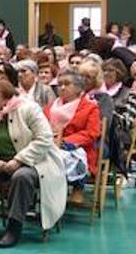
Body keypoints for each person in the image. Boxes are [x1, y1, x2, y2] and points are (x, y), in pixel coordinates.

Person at [0, 79, 65, 248]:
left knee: (22, 177)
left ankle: (14, 226)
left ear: (7, 95)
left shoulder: (29, 108)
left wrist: (19, 160)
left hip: (33, 163)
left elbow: (45, 138)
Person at [44, 70, 103, 204]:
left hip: (79, 147)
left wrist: (66, 141)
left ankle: (78, 187)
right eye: (60, 84)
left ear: (78, 88)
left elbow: (92, 133)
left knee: (70, 156)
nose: (62, 87)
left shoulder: (90, 107)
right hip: (50, 144)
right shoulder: (50, 107)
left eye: (67, 84)